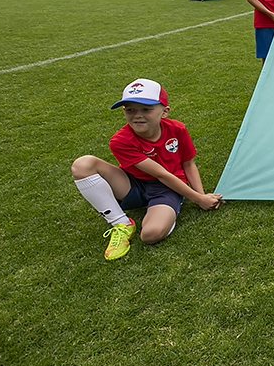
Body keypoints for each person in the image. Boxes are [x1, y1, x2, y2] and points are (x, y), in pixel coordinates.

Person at [71, 79, 224, 260]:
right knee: (83, 164)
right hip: (132, 184)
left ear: (164, 112)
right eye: (130, 110)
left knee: (150, 235)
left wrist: (202, 196)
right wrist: (198, 199)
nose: (137, 115)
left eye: (146, 109)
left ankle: (169, 207)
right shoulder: (120, 140)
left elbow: (188, 164)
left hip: (166, 188)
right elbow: (160, 173)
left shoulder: (178, 129)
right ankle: (121, 223)